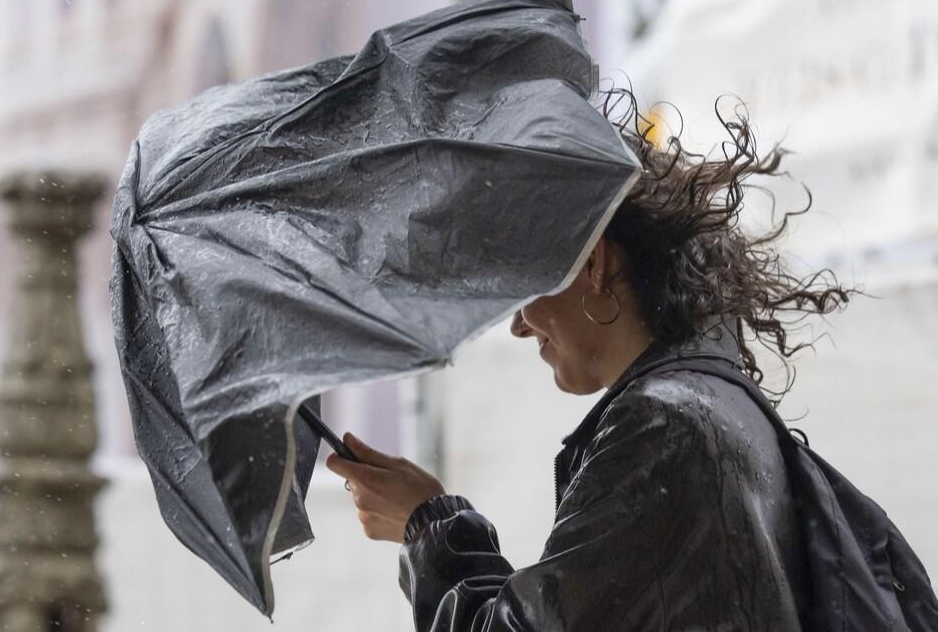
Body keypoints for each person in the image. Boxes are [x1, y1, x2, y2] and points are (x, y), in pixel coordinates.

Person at [325, 92, 853, 630]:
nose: (518, 324)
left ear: (593, 264)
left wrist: (430, 528)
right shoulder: (714, 402)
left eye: (523, 289)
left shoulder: (665, 429)